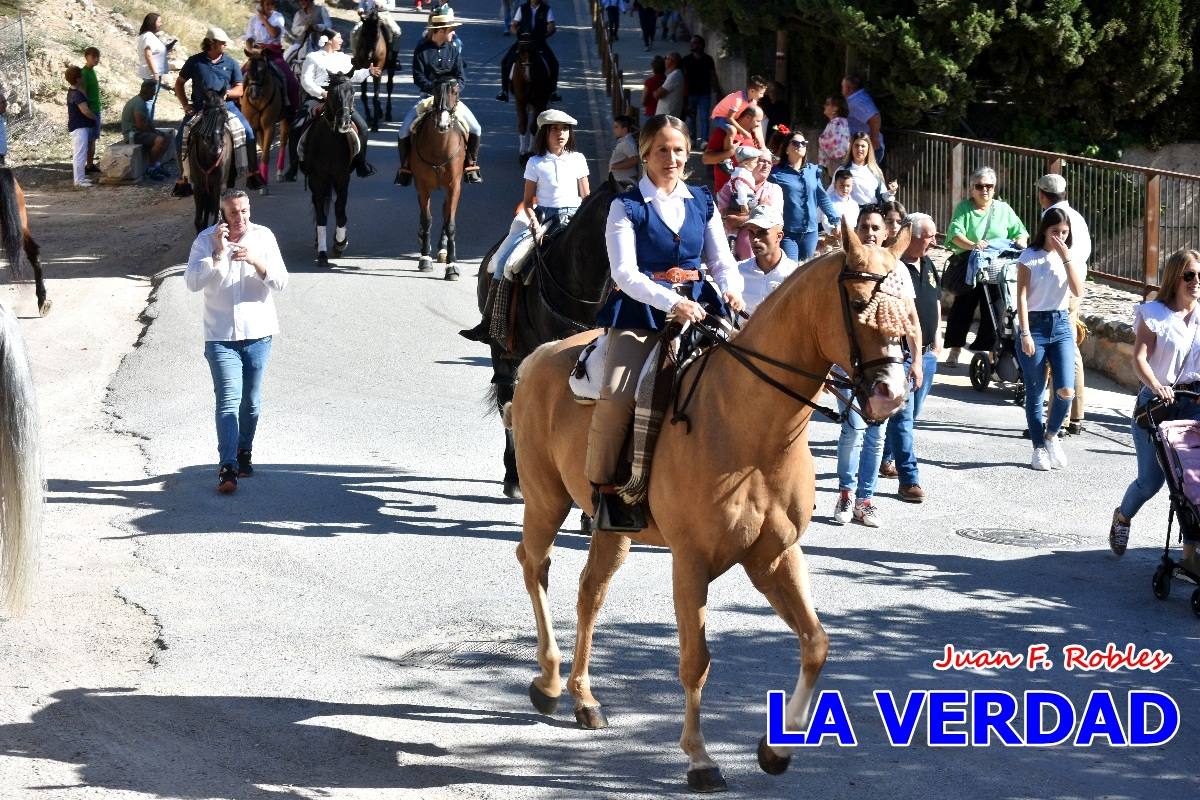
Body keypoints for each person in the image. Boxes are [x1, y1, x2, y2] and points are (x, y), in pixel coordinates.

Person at [587, 114, 744, 529]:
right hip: (641, 312)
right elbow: (625, 273)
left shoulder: (702, 201)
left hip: (703, 306)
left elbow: (720, 259)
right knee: (617, 393)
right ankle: (604, 493)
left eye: (678, 150)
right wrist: (671, 302)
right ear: (645, 153)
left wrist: (732, 288)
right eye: (662, 150)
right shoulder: (625, 207)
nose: (671, 158)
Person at [185, 189, 287, 494]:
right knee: (228, 400)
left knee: (251, 402)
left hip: (258, 334)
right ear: (223, 214)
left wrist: (256, 261)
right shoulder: (206, 240)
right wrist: (217, 254)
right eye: (233, 212)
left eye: (244, 211)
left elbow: (281, 282)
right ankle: (227, 466)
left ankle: (244, 452)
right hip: (220, 336)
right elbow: (192, 283)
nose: (239, 217)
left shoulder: (263, 236)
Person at [460, 108, 589, 342]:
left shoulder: (578, 159)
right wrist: (535, 225)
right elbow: (528, 201)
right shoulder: (535, 162)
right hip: (545, 217)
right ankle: (489, 322)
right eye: (555, 129)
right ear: (544, 133)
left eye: (565, 129)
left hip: (576, 217)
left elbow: (586, 197)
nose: (561, 134)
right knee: (504, 262)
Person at [832, 206, 922, 527]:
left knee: (876, 434)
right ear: (855, 232)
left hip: (886, 362)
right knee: (852, 430)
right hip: (851, 363)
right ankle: (846, 493)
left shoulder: (898, 270)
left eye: (875, 228)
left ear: (886, 233)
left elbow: (911, 317)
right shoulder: (844, 265)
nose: (869, 233)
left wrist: (917, 359)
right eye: (864, 227)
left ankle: (865, 500)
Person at [1110, 249, 1200, 566]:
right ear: (1175, 278)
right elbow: (1139, 359)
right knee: (1151, 482)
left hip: (1193, 403)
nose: (1196, 281)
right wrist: (1156, 385)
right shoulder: (1154, 314)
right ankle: (1122, 517)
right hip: (1157, 405)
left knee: (1193, 481)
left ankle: (1189, 556)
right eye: (1189, 275)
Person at [1015, 207, 1084, 471]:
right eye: (1055, 231)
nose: (1060, 237)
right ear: (1045, 230)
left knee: (1066, 389)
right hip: (1035, 324)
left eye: (1064, 232)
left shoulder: (1069, 256)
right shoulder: (1029, 256)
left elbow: (1078, 290)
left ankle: (1051, 435)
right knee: (1036, 392)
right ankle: (1038, 448)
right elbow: (1021, 297)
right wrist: (1025, 333)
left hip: (1061, 323)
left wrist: (1066, 258)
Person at [878, 213, 940, 501]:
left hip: (926, 354)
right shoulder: (893, 266)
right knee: (903, 419)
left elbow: (935, 300)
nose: (934, 241)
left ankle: (885, 457)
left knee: (910, 415)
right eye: (929, 236)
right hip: (902, 354)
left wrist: (937, 337)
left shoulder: (928, 264)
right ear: (911, 237)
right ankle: (909, 479)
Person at [943, 166, 1029, 366]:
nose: (984, 190)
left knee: (996, 311)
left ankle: (990, 352)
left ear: (994, 188)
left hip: (996, 268)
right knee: (962, 308)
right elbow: (955, 234)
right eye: (980, 186)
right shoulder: (964, 208)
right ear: (972, 188)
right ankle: (955, 349)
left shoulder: (1003, 209)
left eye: (989, 186)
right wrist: (972, 245)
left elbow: (1020, 232)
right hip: (970, 266)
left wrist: (1020, 242)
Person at [396, 7, 482, 185]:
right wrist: (434, 89)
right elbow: (418, 77)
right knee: (403, 130)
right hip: (428, 97)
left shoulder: (454, 50)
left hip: (451, 99)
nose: (453, 33)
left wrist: (455, 89)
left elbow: (461, 77)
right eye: (451, 30)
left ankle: (471, 165)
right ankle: (405, 168)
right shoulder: (421, 51)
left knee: (476, 128)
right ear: (441, 31)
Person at [171, 27, 262, 196]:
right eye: (222, 42)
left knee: (248, 132)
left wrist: (227, 93)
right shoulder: (194, 61)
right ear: (212, 43)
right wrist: (185, 105)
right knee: (180, 137)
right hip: (200, 108)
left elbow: (240, 89)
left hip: (226, 107)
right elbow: (179, 83)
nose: (225, 45)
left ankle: (252, 173)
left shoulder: (231, 63)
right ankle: (183, 178)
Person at [1037, 173, 1091, 435]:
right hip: (1074, 285)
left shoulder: (1053, 217)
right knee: (1070, 350)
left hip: (1059, 290)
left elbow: (1048, 255)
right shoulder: (1076, 216)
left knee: (1059, 351)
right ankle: (1074, 415)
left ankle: (1059, 420)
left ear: (1041, 195)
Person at [287, 29, 380, 181]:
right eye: (339, 37)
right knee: (296, 127)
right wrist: (321, 93)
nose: (342, 40)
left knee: (363, 127)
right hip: (317, 99)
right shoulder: (313, 57)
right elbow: (306, 80)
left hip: (340, 100)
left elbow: (352, 76)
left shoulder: (343, 58)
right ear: (329, 40)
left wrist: (368, 72)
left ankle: (361, 163)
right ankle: (293, 166)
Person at [769, 129, 838, 261]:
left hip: (811, 232)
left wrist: (835, 220)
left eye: (803, 143)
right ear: (786, 149)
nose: (800, 146)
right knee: (790, 270)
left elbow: (822, 197)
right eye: (795, 143)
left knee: (807, 269)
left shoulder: (812, 170)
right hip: (787, 233)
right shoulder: (776, 174)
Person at [718, 150, 781, 260]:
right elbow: (724, 219)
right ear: (749, 162)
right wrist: (759, 208)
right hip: (733, 256)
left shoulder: (774, 189)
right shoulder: (730, 186)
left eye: (769, 162)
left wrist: (738, 218)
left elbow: (772, 222)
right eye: (762, 161)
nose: (766, 165)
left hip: (762, 256)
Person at [244, 0, 302, 115]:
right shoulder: (253, 19)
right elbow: (249, 38)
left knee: (290, 80)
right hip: (257, 53)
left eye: (273, 4)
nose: (271, 6)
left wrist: (263, 19)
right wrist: (251, 50)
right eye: (268, 4)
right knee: (243, 74)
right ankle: (240, 104)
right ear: (262, 5)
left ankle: (290, 109)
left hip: (273, 53)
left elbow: (274, 33)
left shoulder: (278, 17)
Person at [737, 204, 797, 314]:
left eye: (762, 232)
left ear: (779, 236)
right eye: (751, 232)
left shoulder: (795, 275)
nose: (755, 239)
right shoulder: (737, 271)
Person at [497, 0, 560, 101]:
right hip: (523, 42)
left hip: (539, 42)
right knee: (505, 62)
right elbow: (513, 26)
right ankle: (504, 91)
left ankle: (553, 91)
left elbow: (552, 26)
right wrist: (519, 34)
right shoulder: (522, 8)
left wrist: (543, 36)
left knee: (554, 63)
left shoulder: (546, 9)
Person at [701, 104, 761, 194]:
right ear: (747, 117)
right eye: (758, 121)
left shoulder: (753, 134)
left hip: (749, 192)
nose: (759, 124)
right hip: (727, 195)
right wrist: (730, 152)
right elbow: (706, 159)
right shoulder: (724, 132)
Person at [121, 80, 170, 179]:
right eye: (152, 92)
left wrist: (155, 131)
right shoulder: (139, 103)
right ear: (147, 91)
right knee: (159, 140)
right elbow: (140, 125)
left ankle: (157, 165)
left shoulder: (142, 102)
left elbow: (147, 122)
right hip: (133, 135)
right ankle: (151, 168)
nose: (153, 94)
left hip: (139, 133)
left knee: (167, 137)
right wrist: (154, 134)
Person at [835, 132, 895, 206]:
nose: (859, 149)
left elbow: (883, 196)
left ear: (868, 149)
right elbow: (831, 193)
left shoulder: (875, 171)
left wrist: (891, 192)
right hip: (852, 211)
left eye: (863, 146)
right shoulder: (842, 170)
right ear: (851, 148)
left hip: (874, 211)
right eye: (856, 145)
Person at [681, 36, 719, 146]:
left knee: (704, 118)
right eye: (691, 42)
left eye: (694, 43)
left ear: (701, 45)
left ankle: (704, 140)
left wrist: (717, 91)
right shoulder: (686, 60)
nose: (692, 45)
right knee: (691, 118)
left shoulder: (708, 59)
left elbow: (713, 75)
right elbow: (682, 77)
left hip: (704, 93)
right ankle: (692, 139)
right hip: (690, 93)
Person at [711, 75, 767, 147]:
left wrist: (755, 134)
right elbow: (729, 118)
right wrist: (744, 132)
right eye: (761, 93)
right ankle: (728, 151)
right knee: (732, 130)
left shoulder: (753, 102)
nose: (762, 96)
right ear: (752, 91)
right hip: (720, 117)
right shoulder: (737, 99)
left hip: (733, 117)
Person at [137, 14, 173, 122]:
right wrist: (155, 73)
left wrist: (166, 49)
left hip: (152, 74)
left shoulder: (149, 36)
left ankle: (148, 125)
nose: (161, 24)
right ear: (152, 23)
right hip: (151, 74)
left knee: (150, 100)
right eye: (159, 21)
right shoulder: (148, 36)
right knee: (149, 101)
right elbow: (148, 55)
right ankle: (145, 126)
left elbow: (154, 52)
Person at [65, 66, 97, 188]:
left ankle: (81, 178)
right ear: (78, 79)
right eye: (81, 76)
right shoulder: (76, 94)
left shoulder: (73, 91)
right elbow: (85, 110)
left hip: (79, 126)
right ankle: (79, 181)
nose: (83, 78)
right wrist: (94, 117)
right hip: (79, 127)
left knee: (80, 153)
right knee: (80, 154)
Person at [842, 74, 884, 161]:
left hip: (867, 150)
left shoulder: (857, 101)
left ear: (848, 88)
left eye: (843, 87)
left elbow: (875, 117)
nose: (841, 90)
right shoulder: (857, 98)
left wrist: (874, 140)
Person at [818, 94, 850, 179]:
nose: (824, 106)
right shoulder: (839, 122)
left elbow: (837, 148)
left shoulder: (837, 123)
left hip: (836, 166)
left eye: (827, 104)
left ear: (835, 108)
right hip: (836, 166)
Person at [82, 47, 103, 175]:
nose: (96, 59)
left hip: (96, 109)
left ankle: (90, 164)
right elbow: (83, 93)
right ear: (86, 57)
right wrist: (88, 112)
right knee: (89, 140)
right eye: (93, 56)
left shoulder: (92, 71)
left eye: (97, 57)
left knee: (93, 139)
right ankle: (87, 165)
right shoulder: (84, 73)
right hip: (90, 111)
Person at [725, 144, 761, 216]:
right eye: (755, 162)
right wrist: (743, 204)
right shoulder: (742, 175)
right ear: (746, 163)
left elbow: (731, 185)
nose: (757, 164)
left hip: (737, 198)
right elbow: (741, 190)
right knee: (756, 211)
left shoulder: (737, 173)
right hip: (746, 200)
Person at [821, 168, 858, 234]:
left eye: (848, 186)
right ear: (835, 185)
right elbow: (825, 219)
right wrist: (832, 230)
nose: (845, 189)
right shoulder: (829, 202)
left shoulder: (854, 204)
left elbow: (854, 223)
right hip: (833, 236)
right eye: (842, 185)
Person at [609, 114, 639, 185]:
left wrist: (614, 166)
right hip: (620, 180)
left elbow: (634, 159)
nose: (614, 130)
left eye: (616, 127)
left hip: (624, 181)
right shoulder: (624, 140)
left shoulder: (627, 143)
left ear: (624, 129)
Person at [654, 52, 685, 118]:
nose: (665, 61)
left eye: (666, 58)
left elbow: (657, 94)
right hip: (667, 115)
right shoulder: (675, 74)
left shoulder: (674, 75)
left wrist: (656, 91)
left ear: (672, 61)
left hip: (667, 115)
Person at [641, 56, 665, 120]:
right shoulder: (668, 80)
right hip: (664, 113)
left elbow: (643, 100)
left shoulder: (650, 81)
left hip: (651, 112)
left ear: (653, 68)